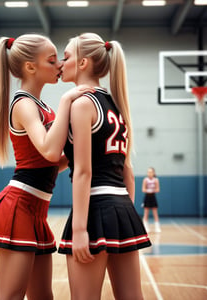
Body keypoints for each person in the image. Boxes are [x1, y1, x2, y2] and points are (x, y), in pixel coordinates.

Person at [0, 33, 94, 300]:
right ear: (30, 67)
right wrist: (67, 100)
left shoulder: (44, 107)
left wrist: (83, 153)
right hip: (18, 208)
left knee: (42, 296)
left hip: (38, 211)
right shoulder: (24, 104)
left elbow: (52, 163)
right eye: (52, 61)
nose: (60, 65)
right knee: (11, 295)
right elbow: (50, 151)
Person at [58, 33, 151, 300]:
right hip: (123, 206)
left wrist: (78, 229)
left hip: (94, 208)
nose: (61, 63)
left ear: (84, 62)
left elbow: (84, 172)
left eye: (66, 57)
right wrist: (126, 216)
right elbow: (128, 171)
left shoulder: (83, 104)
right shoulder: (116, 105)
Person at [142, 167, 161, 233]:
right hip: (147, 197)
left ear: (153, 173)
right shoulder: (145, 180)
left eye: (151, 172)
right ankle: (145, 228)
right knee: (146, 213)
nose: (149, 173)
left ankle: (157, 227)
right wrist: (148, 190)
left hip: (153, 196)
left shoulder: (156, 180)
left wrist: (152, 190)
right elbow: (143, 189)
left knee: (155, 213)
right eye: (148, 172)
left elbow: (158, 189)